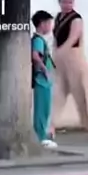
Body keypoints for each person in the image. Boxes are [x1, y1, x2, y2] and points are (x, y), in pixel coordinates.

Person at [51, 0, 88, 137]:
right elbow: (56, 38)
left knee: (82, 92)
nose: (67, 4)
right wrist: (54, 53)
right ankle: (49, 124)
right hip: (59, 58)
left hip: (74, 58)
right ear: (59, 2)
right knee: (57, 92)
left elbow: (73, 38)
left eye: (70, 2)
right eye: (64, 1)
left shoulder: (76, 19)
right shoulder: (58, 18)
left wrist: (60, 52)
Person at [31, 10, 57, 148]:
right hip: (41, 79)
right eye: (49, 23)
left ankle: (43, 135)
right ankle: (40, 137)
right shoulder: (38, 40)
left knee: (45, 108)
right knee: (42, 109)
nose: (50, 26)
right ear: (42, 24)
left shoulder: (39, 39)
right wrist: (44, 69)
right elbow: (35, 56)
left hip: (44, 79)